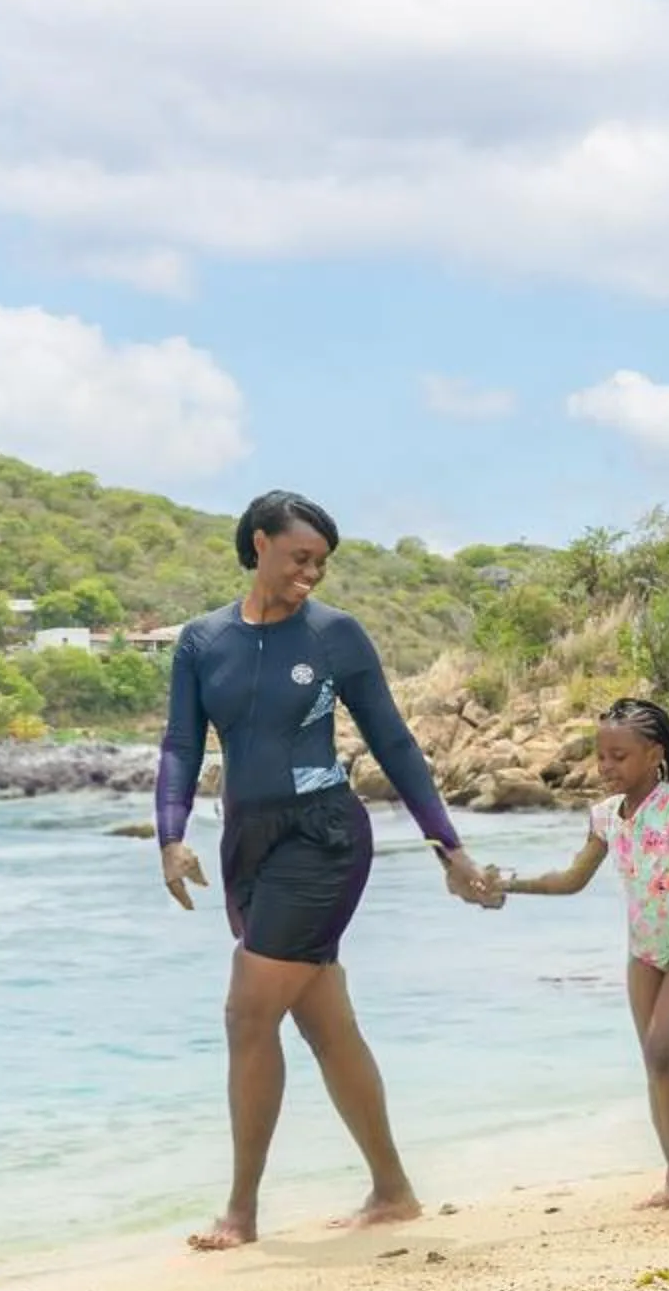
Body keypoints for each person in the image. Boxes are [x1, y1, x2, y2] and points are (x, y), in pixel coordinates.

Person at [155, 490, 495, 1252]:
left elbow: (394, 743)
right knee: (324, 1022)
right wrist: (169, 837)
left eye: (321, 563)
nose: (311, 573)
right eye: (299, 557)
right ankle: (393, 1190)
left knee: (248, 1012)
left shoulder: (335, 636)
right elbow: (181, 745)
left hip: (325, 837)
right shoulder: (203, 641)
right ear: (260, 543)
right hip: (247, 845)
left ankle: (241, 1212)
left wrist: (447, 846)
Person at [477, 698, 669, 1210]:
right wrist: (508, 884)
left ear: (654, 754)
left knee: (662, 1049)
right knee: (654, 1062)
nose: (606, 767)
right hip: (644, 951)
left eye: (619, 756)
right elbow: (572, 879)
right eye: (601, 756)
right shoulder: (605, 817)